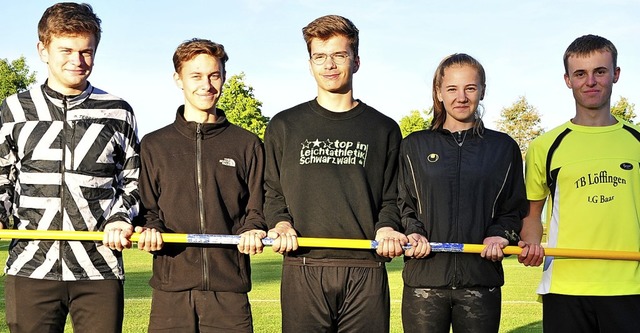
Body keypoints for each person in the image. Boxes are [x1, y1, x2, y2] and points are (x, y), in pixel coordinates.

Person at [0, 3, 140, 332]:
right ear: (43, 50)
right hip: (30, 268)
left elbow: (135, 181)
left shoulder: (117, 111)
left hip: (99, 270)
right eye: (66, 50)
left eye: (86, 51)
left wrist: (121, 217)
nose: (77, 61)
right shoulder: (13, 110)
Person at [263, 14, 407, 332]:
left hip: (365, 266)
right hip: (303, 264)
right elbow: (272, 190)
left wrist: (386, 228)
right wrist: (281, 222)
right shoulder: (284, 125)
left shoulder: (384, 128)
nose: (329, 65)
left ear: (355, 61)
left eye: (339, 55)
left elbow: (392, 196)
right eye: (320, 56)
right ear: (310, 62)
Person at [134, 38, 267, 332]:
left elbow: (257, 207)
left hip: (229, 291)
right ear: (178, 79)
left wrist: (253, 228)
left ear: (223, 77)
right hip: (171, 289)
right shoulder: (154, 145)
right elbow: (148, 208)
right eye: (195, 76)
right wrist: (151, 228)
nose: (206, 85)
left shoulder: (247, 144)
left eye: (214, 75)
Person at [518, 34, 640, 332]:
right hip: (566, 285)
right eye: (580, 74)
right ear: (567, 80)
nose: (591, 81)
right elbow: (532, 213)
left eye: (600, 71)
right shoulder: (545, 146)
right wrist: (531, 244)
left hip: (631, 285)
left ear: (616, 74)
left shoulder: (636, 141)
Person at [397, 53, 527, 333]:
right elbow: (403, 203)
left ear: (482, 90)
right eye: (452, 89)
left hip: (481, 279)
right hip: (424, 278)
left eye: (470, 88)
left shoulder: (503, 148)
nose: (461, 97)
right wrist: (413, 231)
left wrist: (500, 234)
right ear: (438, 92)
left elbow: (513, 208)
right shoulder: (413, 146)